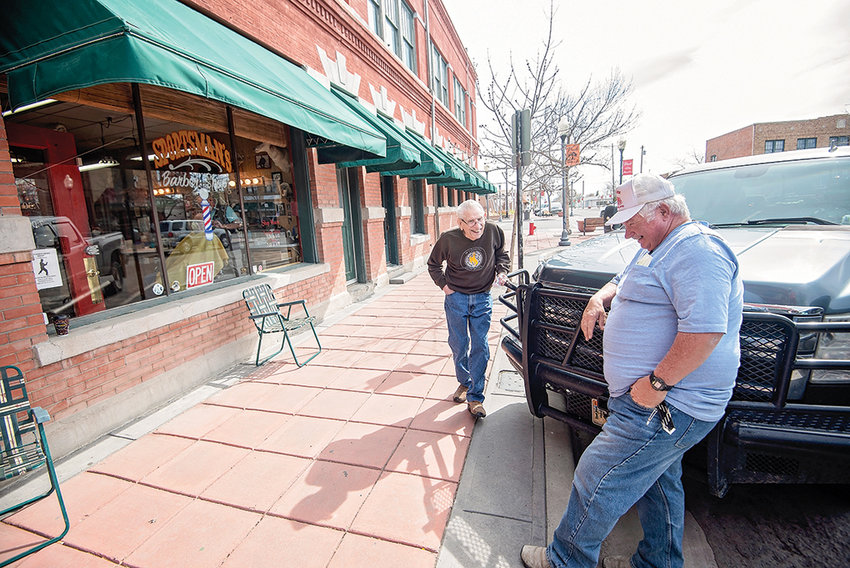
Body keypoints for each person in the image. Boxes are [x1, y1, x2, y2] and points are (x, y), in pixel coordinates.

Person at [520, 173, 744, 568]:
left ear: (662, 210)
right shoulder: (659, 246)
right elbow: (622, 279)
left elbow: (707, 331)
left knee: (598, 475)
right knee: (657, 482)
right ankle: (657, 563)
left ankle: (565, 560)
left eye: (630, 221)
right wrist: (598, 297)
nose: (625, 233)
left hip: (667, 403)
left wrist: (656, 385)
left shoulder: (697, 250)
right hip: (659, 401)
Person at [427, 199, 510, 419]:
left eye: (480, 219)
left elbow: (502, 254)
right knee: (459, 343)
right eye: (471, 221)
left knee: (480, 345)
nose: (478, 226)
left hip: (482, 297)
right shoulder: (448, 239)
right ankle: (464, 382)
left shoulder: (493, 231)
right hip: (456, 299)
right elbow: (433, 264)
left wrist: (502, 271)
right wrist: (444, 286)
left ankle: (475, 397)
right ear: (461, 223)